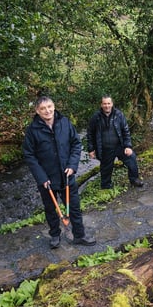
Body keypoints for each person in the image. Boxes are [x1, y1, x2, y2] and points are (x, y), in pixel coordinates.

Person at [23, 95, 96, 249]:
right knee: (50, 209)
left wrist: (72, 165)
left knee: (74, 207)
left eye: (49, 106)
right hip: (46, 179)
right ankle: (55, 235)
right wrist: (41, 177)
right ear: (37, 111)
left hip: (66, 175)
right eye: (42, 108)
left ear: (54, 106)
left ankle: (79, 235)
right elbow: (29, 155)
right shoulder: (32, 130)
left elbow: (76, 144)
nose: (47, 111)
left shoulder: (65, 123)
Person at [87, 95, 144, 189]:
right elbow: (90, 134)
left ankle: (134, 179)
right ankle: (106, 187)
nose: (107, 106)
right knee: (105, 170)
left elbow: (126, 131)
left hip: (119, 146)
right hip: (105, 149)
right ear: (101, 105)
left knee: (131, 157)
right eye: (104, 104)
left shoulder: (119, 115)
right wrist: (91, 149)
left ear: (112, 104)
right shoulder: (95, 117)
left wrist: (128, 146)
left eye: (108, 103)